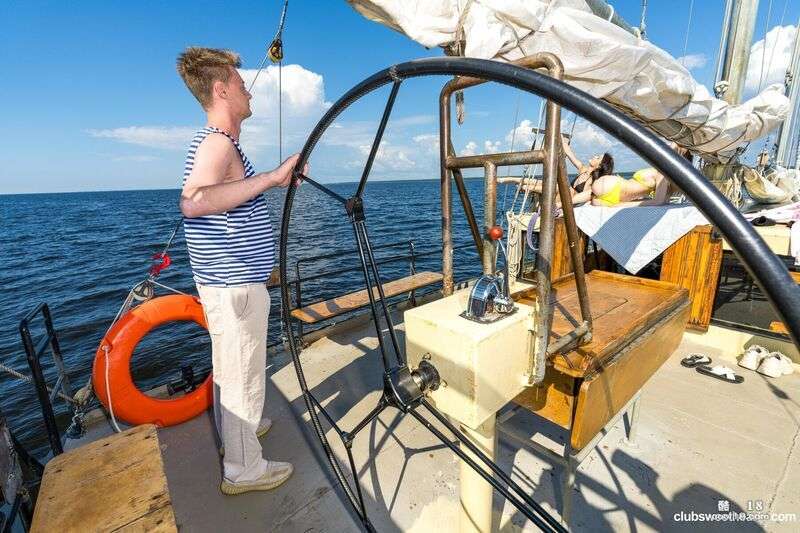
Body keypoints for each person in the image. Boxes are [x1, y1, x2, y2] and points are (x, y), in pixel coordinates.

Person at [177, 46, 302, 495]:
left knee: (237, 369)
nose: (248, 89)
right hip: (233, 291)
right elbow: (193, 201)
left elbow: (228, 215)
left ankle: (244, 428)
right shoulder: (215, 142)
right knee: (239, 374)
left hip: (234, 284)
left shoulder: (223, 144)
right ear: (221, 88)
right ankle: (244, 470)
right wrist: (270, 178)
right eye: (240, 81)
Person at [500, 135, 614, 206]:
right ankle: (512, 179)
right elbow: (569, 153)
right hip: (560, 195)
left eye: (598, 157)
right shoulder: (583, 169)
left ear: (599, 166)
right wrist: (558, 135)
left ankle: (527, 187)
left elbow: (584, 198)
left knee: (562, 186)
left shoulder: (594, 181)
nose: (595, 156)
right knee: (551, 183)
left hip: (567, 203)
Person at [590, 144, 690, 207]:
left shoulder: (662, 173)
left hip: (615, 192)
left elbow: (658, 202)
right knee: (590, 197)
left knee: (589, 195)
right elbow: (657, 200)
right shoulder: (666, 182)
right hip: (615, 195)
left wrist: (623, 205)